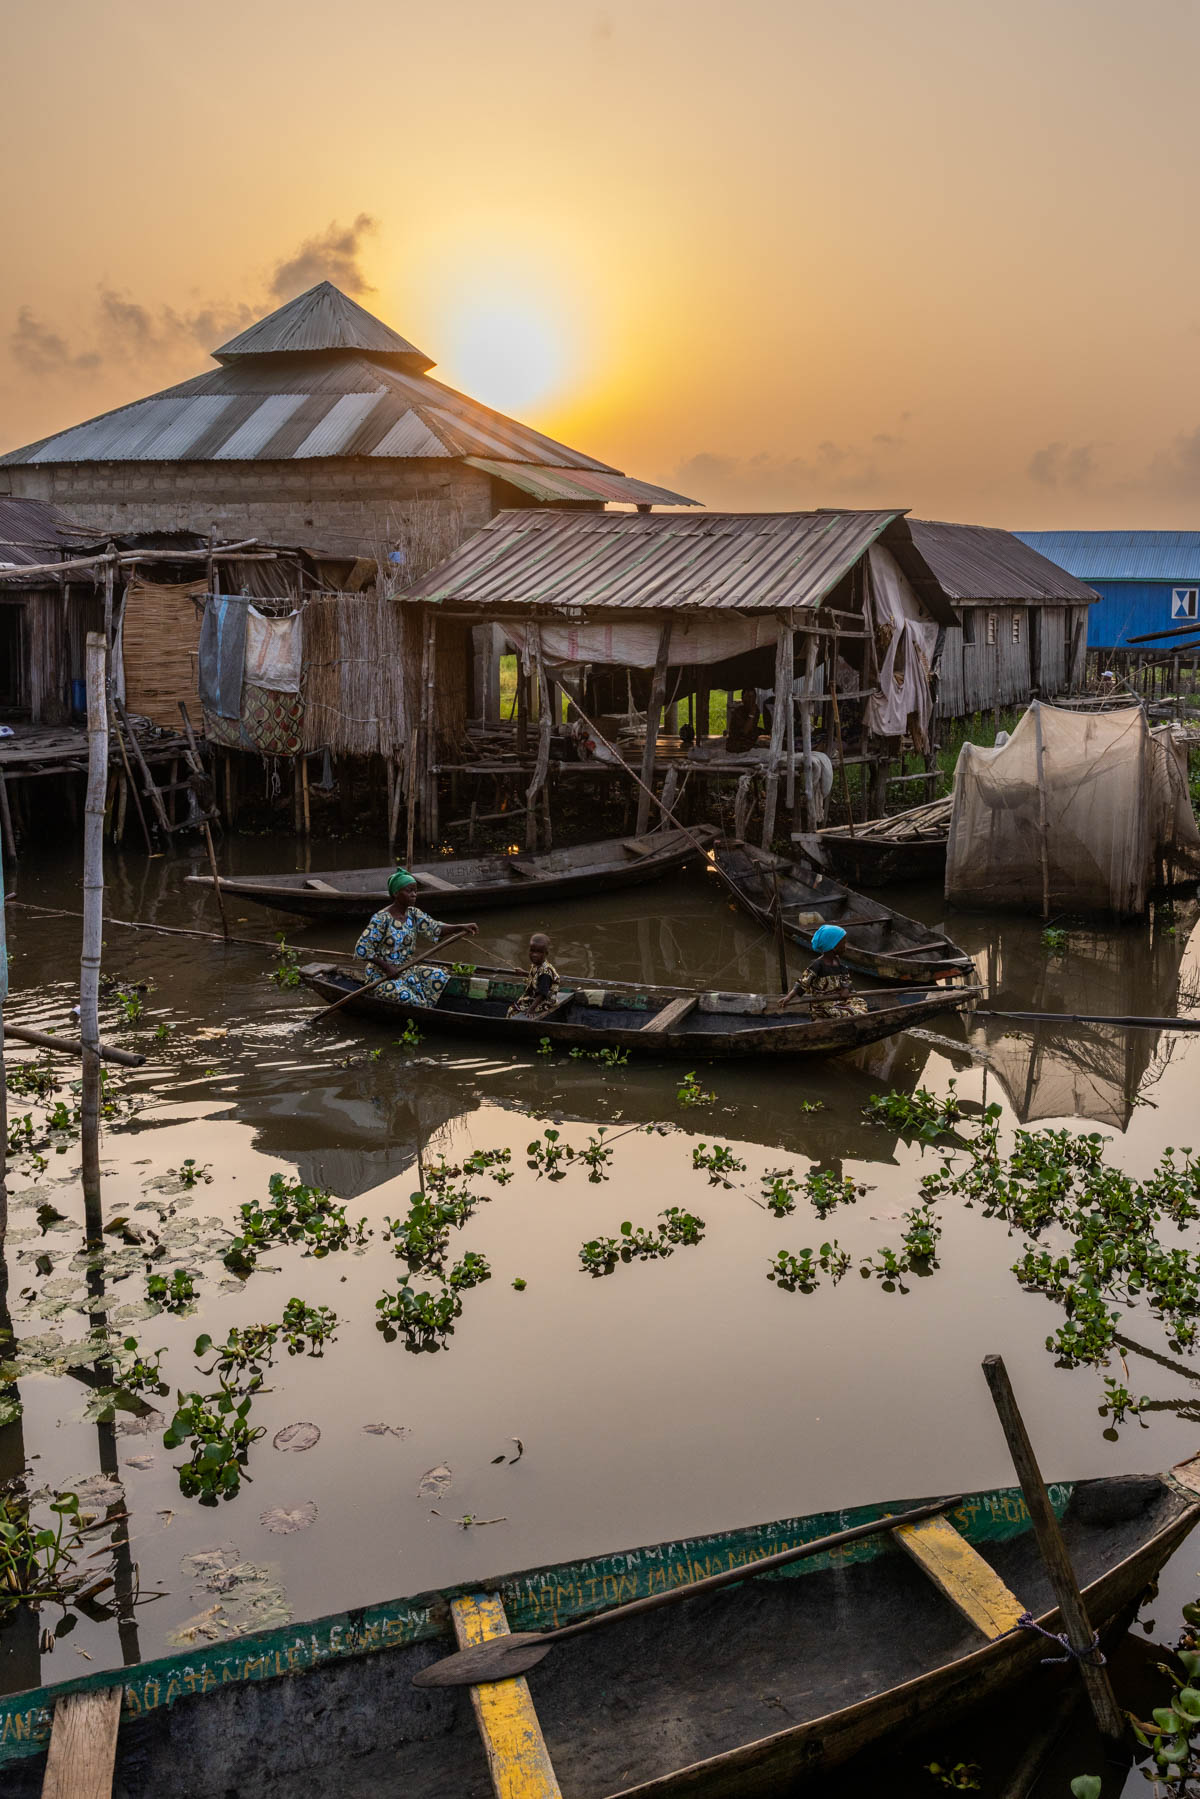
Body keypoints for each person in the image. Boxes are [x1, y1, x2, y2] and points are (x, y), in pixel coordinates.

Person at [354, 869, 477, 1007]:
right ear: (396, 893)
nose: (414, 895)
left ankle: (427, 1005)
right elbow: (362, 949)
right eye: (409, 891)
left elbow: (436, 929)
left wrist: (460, 927)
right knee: (406, 997)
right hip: (382, 974)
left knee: (439, 976)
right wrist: (388, 968)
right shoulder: (381, 919)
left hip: (406, 968)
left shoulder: (413, 914)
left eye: (415, 891)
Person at [780, 924, 867, 1018]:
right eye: (843, 943)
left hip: (837, 1000)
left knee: (861, 1003)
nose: (845, 947)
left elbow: (845, 978)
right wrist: (788, 997)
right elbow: (803, 983)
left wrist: (846, 989)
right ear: (833, 946)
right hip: (822, 1005)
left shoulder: (837, 961)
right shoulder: (817, 965)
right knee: (845, 1012)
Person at [507, 932, 560, 1019]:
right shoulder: (538, 965)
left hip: (545, 1002)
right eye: (532, 951)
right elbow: (536, 977)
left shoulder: (545, 973)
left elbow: (542, 994)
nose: (535, 955)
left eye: (539, 952)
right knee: (518, 1004)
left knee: (512, 1010)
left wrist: (531, 1009)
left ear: (546, 953)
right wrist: (524, 973)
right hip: (538, 997)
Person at [724, 689, 761, 754]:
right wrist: (751, 714)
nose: (751, 700)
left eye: (753, 697)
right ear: (743, 699)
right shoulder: (738, 712)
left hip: (749, 740)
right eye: (748, 697)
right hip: (737, 741)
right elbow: (745, 731)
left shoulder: (756, 710)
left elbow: (752, 728)